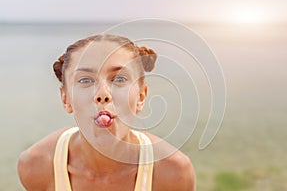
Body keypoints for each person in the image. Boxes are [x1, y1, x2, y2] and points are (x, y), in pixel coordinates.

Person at [17, 34, 196, 191]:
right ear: (66, 99)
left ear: (141, 97)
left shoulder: (174, 173)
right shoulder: (36, 166)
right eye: (85, 80)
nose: (102, 94)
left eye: (119, 79)